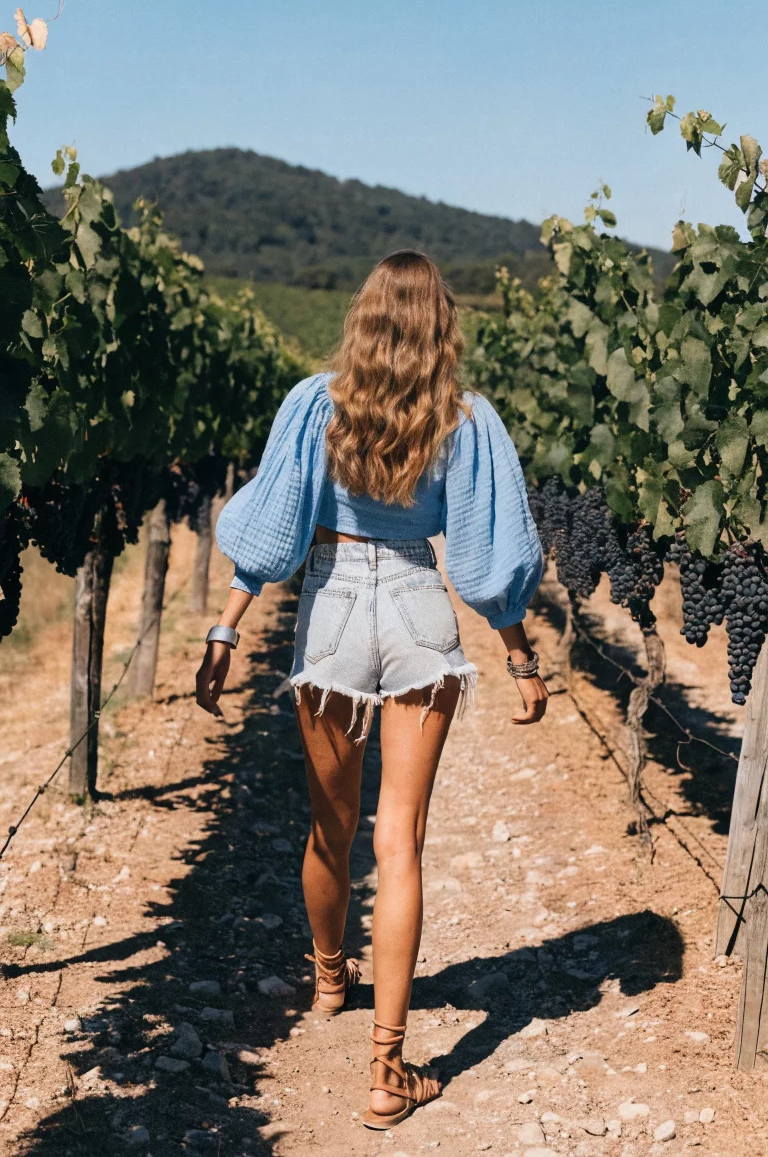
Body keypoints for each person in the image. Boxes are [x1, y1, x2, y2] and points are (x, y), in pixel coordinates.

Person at [195, 250, 548, 1130]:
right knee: (403, 842)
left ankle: (327, 980)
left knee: (331, 824)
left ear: (362, 317)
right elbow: (480, 556)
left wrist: (226, 627)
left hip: (335, 602)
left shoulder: (317, 404)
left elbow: (274, 533)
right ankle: (388, 1069)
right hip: (421, 609)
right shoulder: (467, 421)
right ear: (442, 326)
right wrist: (519, 653)